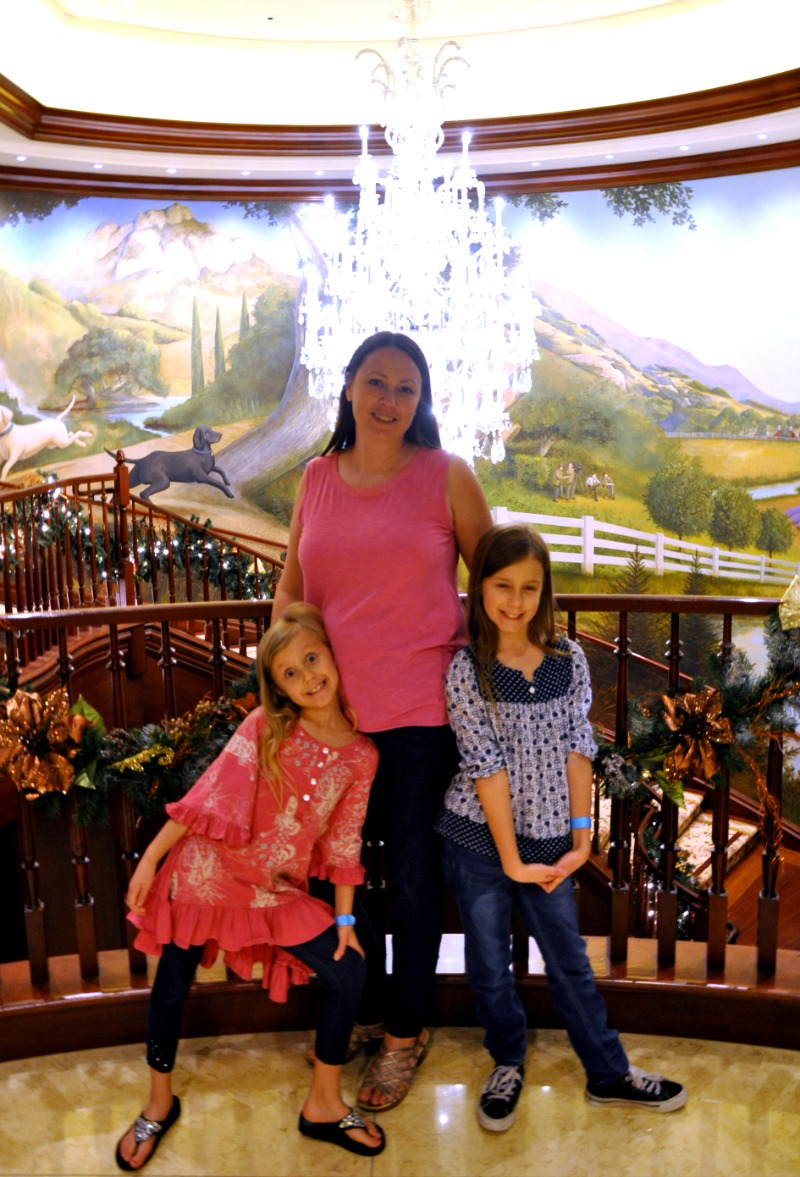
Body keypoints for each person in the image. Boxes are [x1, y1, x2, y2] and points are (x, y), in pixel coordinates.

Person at [272, 330, 492, 1111]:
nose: (389, 400)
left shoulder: (446, 477)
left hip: (420, 718)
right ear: (350, 389)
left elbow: (496, 584)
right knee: (342, 874)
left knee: (414, 878)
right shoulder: (315, 478)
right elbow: (292, 594)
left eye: (406, 387)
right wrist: (279, 694)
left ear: (420, 400)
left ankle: (405, 1031)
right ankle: (359, 1007)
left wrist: (506, 681)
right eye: (376, 382)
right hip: (332, 722)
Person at [115, 603, 385, 1170]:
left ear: (332, 655)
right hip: (207, 873)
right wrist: (149, 863)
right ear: (278, 687)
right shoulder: (265, 727)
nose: (308, 676)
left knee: (350, 970)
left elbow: (343, 845)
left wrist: (344, 921)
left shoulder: (362, 756)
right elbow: (205, 801)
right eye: (290, 672)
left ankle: (324, 1102)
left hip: (273, 890)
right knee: (171, 985)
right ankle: (158, 1103)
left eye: (312, 658)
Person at [436, 524, 687, 1132]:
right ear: (479, 587)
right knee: (489, 963)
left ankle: (608, 1071)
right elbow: (485, 767)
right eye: (502, 586)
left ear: (545, 591)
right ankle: (507, 1060)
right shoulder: (466, 670)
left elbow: (579, 747)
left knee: (570, 961)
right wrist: (511, 860)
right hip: (479, 844)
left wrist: (581, 837)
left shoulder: (568, 660)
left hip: (552, 842)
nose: (515, 601)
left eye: (529, 587)